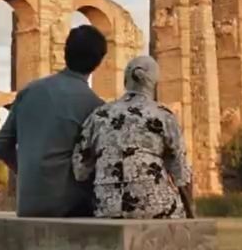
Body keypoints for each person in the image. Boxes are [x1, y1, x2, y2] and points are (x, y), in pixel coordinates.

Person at [0, 24, 108, 217]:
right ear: (98, 62)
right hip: (70, 208)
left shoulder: (30, 91)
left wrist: (30, 173)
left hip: (28, 205)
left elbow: (1, 146)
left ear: (65, 53)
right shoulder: (95, 106)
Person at [72, 55, 194, 219]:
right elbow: (182, 176)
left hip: (106, 208)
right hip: (155, 207)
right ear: (154, 84)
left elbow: (80, 170)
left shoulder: (100, 114)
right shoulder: (163, 116)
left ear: (125, 81)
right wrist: (192, 215)